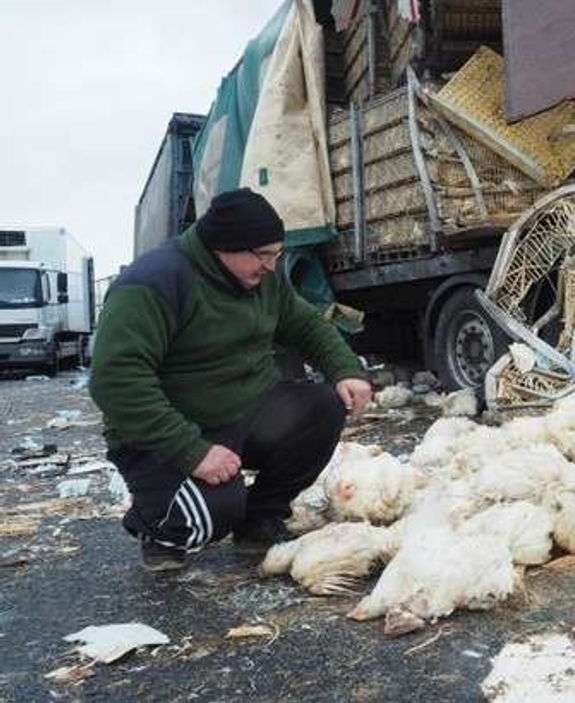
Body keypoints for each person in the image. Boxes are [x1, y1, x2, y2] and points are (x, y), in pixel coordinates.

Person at [90, 188, 372, 571]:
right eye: (263, 256)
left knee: (322, 407)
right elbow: (115, 380)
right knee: (211, 514)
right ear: (224, 248)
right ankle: (157, 527)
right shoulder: (153, 284)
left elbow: (304, 323)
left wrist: (345, 370)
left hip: (243, 410)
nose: (272, 266)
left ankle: (259, 522)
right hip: (166, 431)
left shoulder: (262, 278)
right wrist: (193, 451)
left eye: (277, 254)